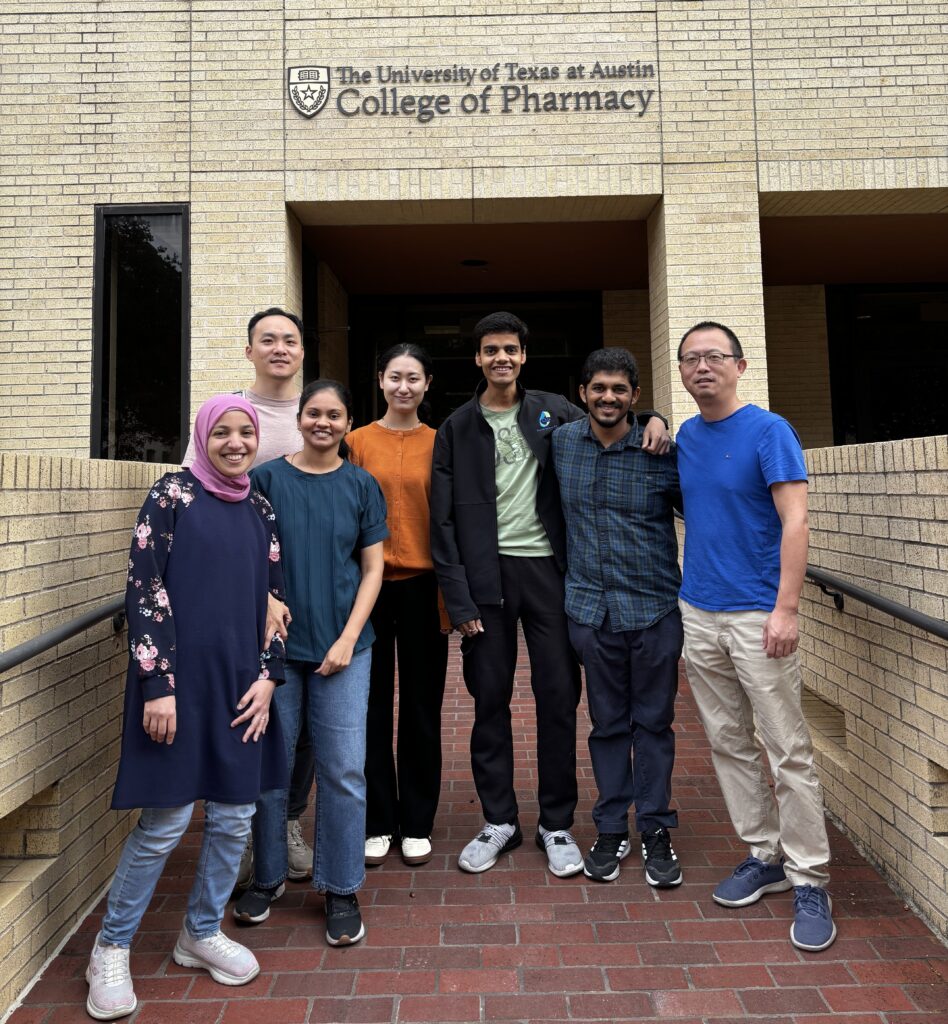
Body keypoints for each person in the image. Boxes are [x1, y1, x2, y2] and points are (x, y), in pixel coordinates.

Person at [430, 311, 669, 878]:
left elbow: (608, 418)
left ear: (524, 355)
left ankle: (555, 822)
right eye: (490, 350)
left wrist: (655, 416)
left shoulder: (552, 412)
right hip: (486, 583)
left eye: (510, 349)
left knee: (558, 699)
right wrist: (459, 602)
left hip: (551, 576)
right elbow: (440, 524)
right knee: (489, 702)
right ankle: (499, 821)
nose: (501, 359)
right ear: (478, 359)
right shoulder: (456, 428)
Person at [85, 395, 287, 1021]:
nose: (234, 442)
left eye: (244, 432)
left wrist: (270, 678)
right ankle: (110, 947)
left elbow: (276, 602)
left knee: (233, 819)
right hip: (177, 685)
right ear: (203, 437)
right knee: (166, 824)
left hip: (240, 686)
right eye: (221, 432)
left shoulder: (259, 505)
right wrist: (157, 685)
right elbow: (143, 589)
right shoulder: (171, 495)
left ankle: (199, 933)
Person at [676, 320, 836, 952]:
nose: (703, 367)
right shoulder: (686, 435)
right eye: (692, 359)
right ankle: (764, 853)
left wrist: (787, 609)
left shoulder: (770, 431)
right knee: (728, 741)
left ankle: (809, 878)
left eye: (715, 357)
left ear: (740, 366)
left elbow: (795, 519)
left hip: (756, 613)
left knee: (787, 748)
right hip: (699, 609)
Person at [234, 380, 387, 947]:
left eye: (335, 415)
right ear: (298, 419)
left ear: (348, 424)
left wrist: (347, 639)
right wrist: (265, 600)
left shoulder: (361, 484)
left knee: (343, 770)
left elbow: (372, 570)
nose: (323, 422)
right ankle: (269, 877)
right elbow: (244, 554)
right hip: (275, 650)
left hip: (345, 649)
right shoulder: (265, 480)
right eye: (314, 414)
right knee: (271, 769)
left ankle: (341, 887)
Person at [183, 307, 314, 885]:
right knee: (251, 714)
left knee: (303, 721)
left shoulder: (316, 413)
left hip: (311, 586)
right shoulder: (230, 414)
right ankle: (234, 838)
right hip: (245, 594)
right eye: (268, 340)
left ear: (303, 351)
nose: (279, 348)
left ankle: (287, 822)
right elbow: (195, 501)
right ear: (249, 351)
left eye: (290, 340)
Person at [552, 348, 684, 887]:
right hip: (590, 610)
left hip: (653, 609)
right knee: (607, 726)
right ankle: (611, 826)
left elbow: (703, 511)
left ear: (634, 395)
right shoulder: (561, 443)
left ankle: (654, 826)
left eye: (620, 390)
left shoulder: (662, 451)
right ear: (582, 393)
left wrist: (661, 419)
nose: (609, 397)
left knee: (652, 724)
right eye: (598, 388)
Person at [348, 344, 449, 868]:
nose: (403, 386)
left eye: (413, 377)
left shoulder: (443, 441)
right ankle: (377, 821)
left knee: (420, 707)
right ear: (381, 381)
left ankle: (416, 821)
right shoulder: (356, 441)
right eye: (395, 377)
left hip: (424, 589)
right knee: (369, 706)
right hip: (368, 588)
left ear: (427, 383)